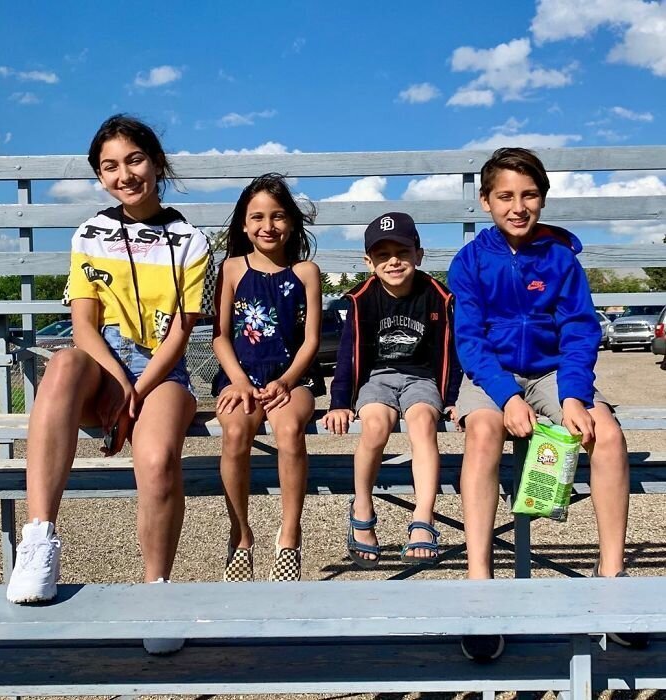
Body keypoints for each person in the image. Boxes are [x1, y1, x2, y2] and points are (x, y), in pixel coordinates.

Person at [5, 114, 215, 655]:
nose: (124, 174)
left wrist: (139, 389)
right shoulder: (90, 233)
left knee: (157, 461)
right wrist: (120, 381)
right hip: (105, 361)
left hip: (163, 367)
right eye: (110, 166)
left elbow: (183, 332)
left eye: (135, 159)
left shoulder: (191, 240)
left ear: (157, 162)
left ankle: (156, 593)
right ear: (100, 177)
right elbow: (82, 326)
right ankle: (40, 540)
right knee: (63, 364)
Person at [448, 147, 646, 662]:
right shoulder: (469, 261)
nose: (518, 206)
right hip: (493, 375)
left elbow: (580, 331)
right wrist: (508, 396)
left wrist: (576, 395)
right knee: (484, 431)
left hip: (556, 374)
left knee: (607, 433)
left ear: (543, 198)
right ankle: (481, 588)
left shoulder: (561, 258)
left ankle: (611, 578)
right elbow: (470, 342)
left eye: (529, 194)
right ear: (486, 202)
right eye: (506, 196)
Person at [323, 212, 461, 569]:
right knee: (375, 426)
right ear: (369, 262)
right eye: (383, 255)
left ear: (419, 254)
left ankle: (423, 518)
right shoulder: (362, 298)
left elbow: (451, 350)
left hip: (421, 379)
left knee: (422, 426)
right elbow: (347, 354)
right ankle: (362, 505)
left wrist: (451, 399)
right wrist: (339, 402)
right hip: (378, 378)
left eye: (402, 251)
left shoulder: (438, 296)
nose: (394, 261)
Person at [212, 173, 323, 583]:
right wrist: (239, 381)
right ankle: (240, 535)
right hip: (241, 375)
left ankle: (290, 536)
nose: (268, 226)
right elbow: (220, 335)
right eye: (257, 217)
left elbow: (311, 340)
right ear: (243, 224)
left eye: (278, 216)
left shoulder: (306, 271)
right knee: (236, 433)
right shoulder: (231, 269)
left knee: (290, 430)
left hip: (292, 378)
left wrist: (288, 381)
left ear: (292, 222)